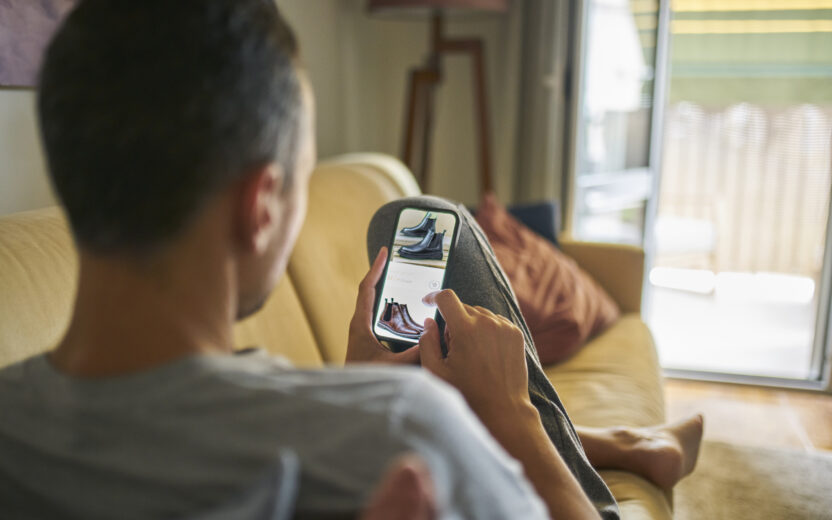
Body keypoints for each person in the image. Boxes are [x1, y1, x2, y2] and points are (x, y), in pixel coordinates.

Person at [0, 1, 702, 518]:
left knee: (411, 220)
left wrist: (347, 389)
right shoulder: (403, 430)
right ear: (263, 204)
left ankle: (616, 442)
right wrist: (513, 418)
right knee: (428, 220)